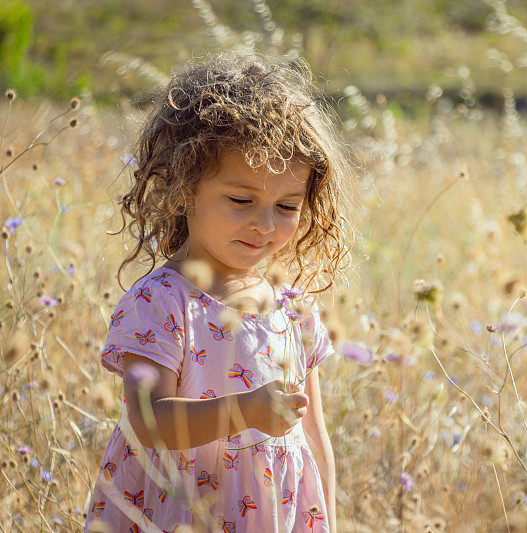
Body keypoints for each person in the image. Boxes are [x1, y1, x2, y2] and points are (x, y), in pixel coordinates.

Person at [83, 50, 355, 533]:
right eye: (240, 200)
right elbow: (148, 422)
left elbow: (314, 434)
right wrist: (243, 412)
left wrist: (328, 521)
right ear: (184, 186)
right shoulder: (161, 303)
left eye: (287, 206)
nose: (264, 225)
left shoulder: (294, 310)